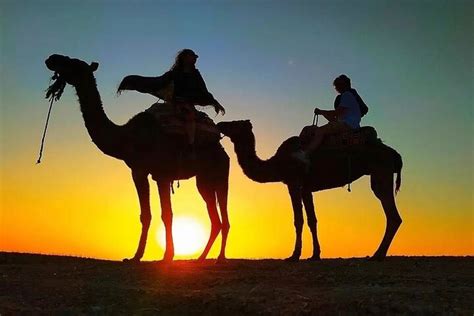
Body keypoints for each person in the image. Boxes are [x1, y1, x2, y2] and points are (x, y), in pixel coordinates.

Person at [293, 74, 363, 164]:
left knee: (319, 131)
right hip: (347, 124)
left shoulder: (346, 95)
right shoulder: (348, 97)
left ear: (341, 85)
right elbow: (333, 119)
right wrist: (322, 113)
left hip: (348, 125)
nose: (336, 88)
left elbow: (336, 113)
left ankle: (305, 154)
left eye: (337, 86)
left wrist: (322, 111)